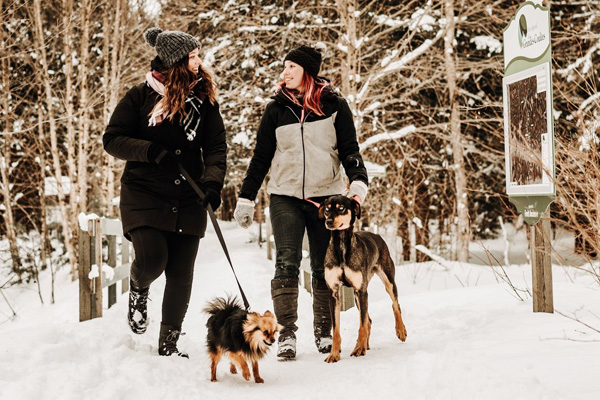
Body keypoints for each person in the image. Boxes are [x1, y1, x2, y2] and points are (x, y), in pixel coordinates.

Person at [233, 45, 368, 360]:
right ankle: (287, 335)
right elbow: (261, 157)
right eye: (284, 67)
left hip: (327, 199)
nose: (285, 72)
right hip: (285, 196)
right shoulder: (276, 110)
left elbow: (350, 149)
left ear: (307, 71)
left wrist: (358, 182)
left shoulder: (336, 107)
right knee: (287, 261)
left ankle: (324, 331)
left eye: (291, 66)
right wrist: (246, 197)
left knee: (324, 265)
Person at [103, 27, 227, 358]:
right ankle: (139, 287)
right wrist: (149, 150)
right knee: (153, 259)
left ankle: (168, 344)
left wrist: (212, 183)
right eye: (193, 57)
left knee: (181, 271)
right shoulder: (140, 97)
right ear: (175, 63)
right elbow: (112, 139)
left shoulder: (205, 101)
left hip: (189, 195)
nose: (199, 62)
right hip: (144, 193)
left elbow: (216, 148)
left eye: (198, 55)